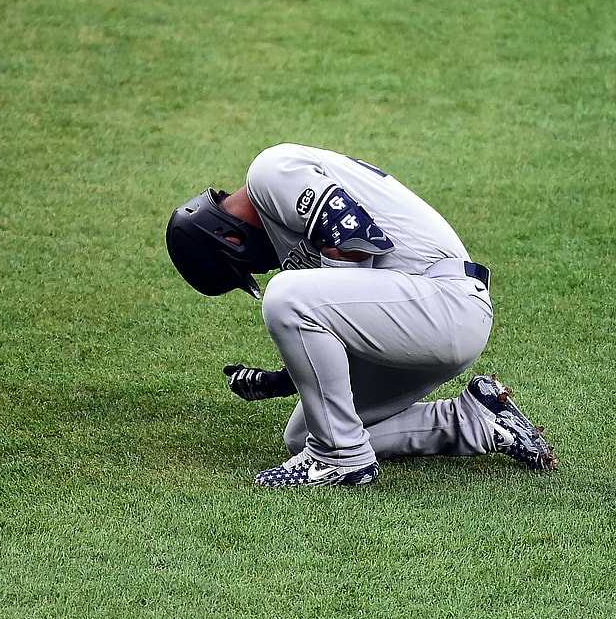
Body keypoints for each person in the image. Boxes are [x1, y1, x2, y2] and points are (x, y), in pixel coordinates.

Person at [165, 143, 557, 487]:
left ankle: (339, 459)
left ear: (229, 238)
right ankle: (475, 421)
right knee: (306, 433)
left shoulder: (271, 170)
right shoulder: (281, 217)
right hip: (421, 317)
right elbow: (346, 312)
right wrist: (285, 380)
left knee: (286, 295)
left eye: (244, 267)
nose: (260, 268)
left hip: (443, 301)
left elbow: (355, 240)